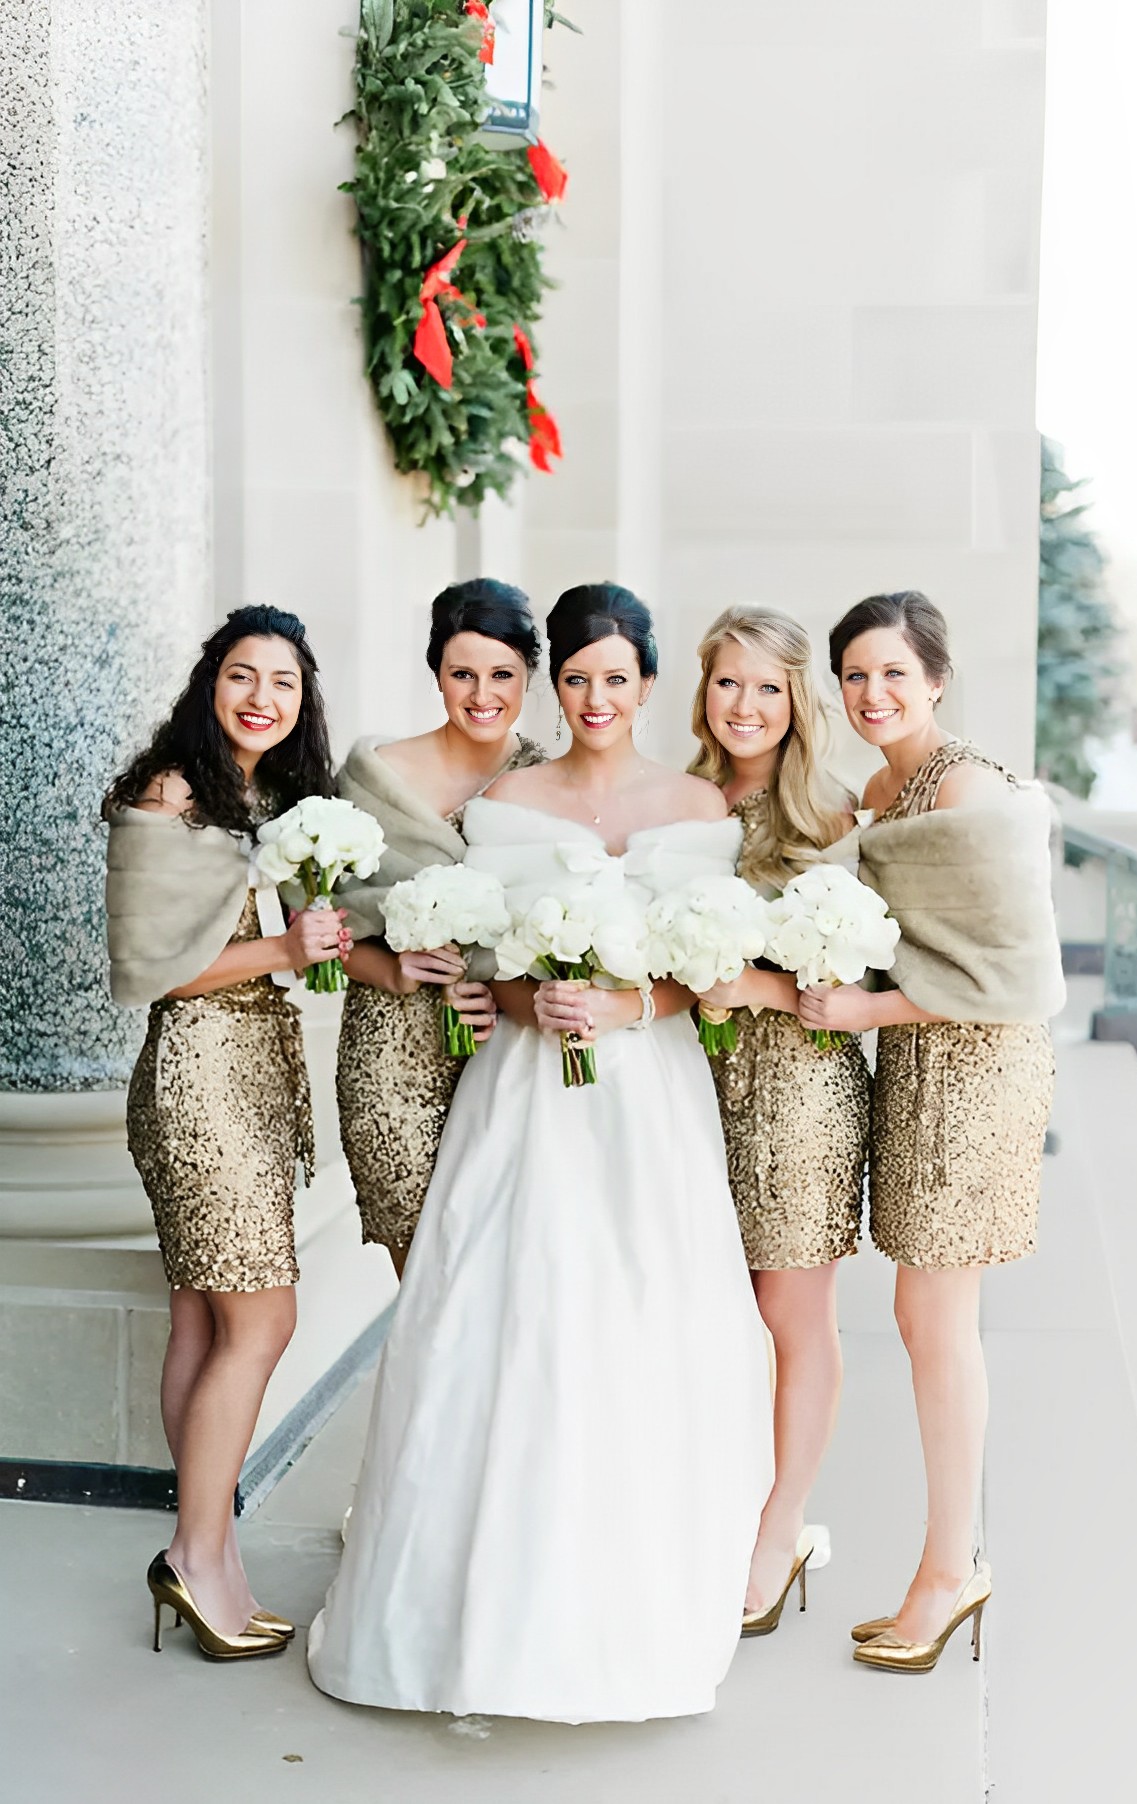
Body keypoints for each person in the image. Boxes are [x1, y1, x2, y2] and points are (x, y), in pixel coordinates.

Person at [308, 582, 773, 1722]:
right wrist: (531, 999)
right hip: (525, 1093)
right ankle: (471, 1600)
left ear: (649, 684)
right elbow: (488, 960)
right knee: (506, 1319)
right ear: (553, 685)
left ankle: (639, 1596)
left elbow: (706, 969)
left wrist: (634, 1003)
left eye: (618, 678)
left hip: (649, 1096)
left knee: (639, 1314)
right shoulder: (509, 800)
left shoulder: (699, 804)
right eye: (576, 678)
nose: (597, 697)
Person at [800, 591, 1063, 1674]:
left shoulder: (966, 787)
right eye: (855, 675)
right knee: (923, 1319)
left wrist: (863, 1009)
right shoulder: (879, 784)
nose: (872, 694)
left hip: (978, 1069)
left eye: (893, 674)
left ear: (938, 678)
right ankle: (948, 1564)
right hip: (917, 1064)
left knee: (932, 1320)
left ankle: (950, 1570)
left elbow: (1014, 979)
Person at [104, 605, 348, 1661]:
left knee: (204, 1323)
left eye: (282, 683)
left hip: (249, 1070)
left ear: (302, 701)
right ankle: (195, 1555)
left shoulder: (267, 799)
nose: (261, 696)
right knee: (264, 1321)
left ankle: (213, 1553)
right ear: (211, 683)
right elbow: (152, 968)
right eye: (243, 675)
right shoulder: (170, 796)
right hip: (198, 1072)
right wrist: (288, 947)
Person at [689, 605, 870, 1634]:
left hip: (801, 1090)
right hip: (695, 1091)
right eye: (729, 682)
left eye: (768, 686)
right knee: (712, 1312)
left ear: (797, 699)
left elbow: (857, 965)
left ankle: (780, 1522)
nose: (747, 705)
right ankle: (714, 1502)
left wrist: (754, 982)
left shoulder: (834, 817)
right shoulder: (683, 806)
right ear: (705, 692)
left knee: (791, 1317)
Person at [334, 580, 545, 1280]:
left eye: (502, 675)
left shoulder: (548, 783)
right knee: (426, 1283)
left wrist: (502, 987)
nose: (482, 694)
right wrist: (392, 970)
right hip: (390, 1058)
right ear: (437, 676)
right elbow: (327, 926)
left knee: (502, 1279)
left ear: (529, 677)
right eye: (462, 674)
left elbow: (564, 937)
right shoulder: (372, 778)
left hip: (508, 1056)